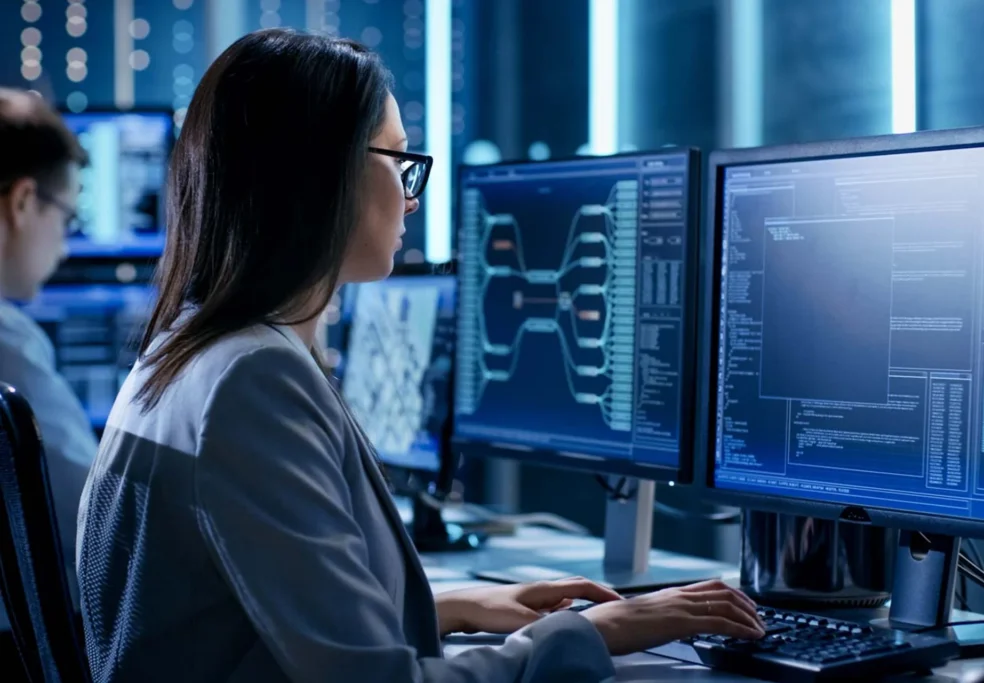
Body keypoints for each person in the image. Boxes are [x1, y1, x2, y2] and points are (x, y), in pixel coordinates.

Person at [76, 29, 764, 683]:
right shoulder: (251, 379)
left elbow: (241, 616)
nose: (410, 199)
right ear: (321, 175)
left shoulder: (182, 352)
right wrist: (593, 631)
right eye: (398, 161)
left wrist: (451, 603)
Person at [0, 88, 95, 663]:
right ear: (22, 202)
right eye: (68, 216)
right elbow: (96, 517)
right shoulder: (6, 343)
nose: (64, 246)